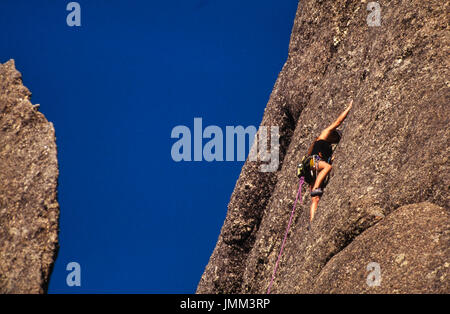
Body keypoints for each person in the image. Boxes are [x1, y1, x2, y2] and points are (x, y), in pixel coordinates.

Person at [306, 100, 353, 223]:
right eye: (336, 137)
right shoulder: (324, 134)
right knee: (327, 168)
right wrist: (349, 108)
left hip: (310, 168)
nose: (335, 140)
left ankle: (312, 221)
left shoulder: (322, 145)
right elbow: (338, 122)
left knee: (315, 198)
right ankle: (316, 186)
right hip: (313, 164)